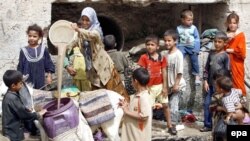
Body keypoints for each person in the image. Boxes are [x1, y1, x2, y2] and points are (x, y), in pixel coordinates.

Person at [67, 7, 129, 101]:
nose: (84, 22)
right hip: (92, 70)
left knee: (114, 93)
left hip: (104, 68)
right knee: (98, 95)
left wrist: (78, 29)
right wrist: (64, 46)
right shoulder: (79, 35)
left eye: (87, 20)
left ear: (92, 19)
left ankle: (124, 110)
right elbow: (71, 44)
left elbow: (91, 35)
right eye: (83, 19)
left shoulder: (97, 31)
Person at [138, 35, 176, 135]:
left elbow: (164, 72)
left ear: (157, 47)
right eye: (148, 45)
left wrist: (165, 87)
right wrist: (144, 87)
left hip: (160, 86)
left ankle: (170, 126)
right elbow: (142, 72)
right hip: (148, 87)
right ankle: (147, 128)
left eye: (152, 45)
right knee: (148, 108)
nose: (150, 46)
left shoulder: (161, 58)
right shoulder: (144, 58)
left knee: (166, 105)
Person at [2, 70, 47, 141]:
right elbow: (25, 116)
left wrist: (25, 109)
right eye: (20, 83)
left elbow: (16, 109)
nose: (22, 85)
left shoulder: (10, 93)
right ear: (13, 85)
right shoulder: (12, 98)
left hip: (11, 129)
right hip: (12, 131)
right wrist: (38, 114)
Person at [200, 31, 230, 132]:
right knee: (207, 104)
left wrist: (225, 86)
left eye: (219, 42)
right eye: (215, 41)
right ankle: (207, 125)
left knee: (221, 107)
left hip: (221, 87)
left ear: (225, 43)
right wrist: (205, 81)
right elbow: (206, 69)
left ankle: (221, 127)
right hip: (210, 85)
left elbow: (227, 71)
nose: (217, 44)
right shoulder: (211, 54)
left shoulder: (225, 56)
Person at [17, 24, 55, 89]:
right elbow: (20, 68)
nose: (32, 38)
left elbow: (48, 65)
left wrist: (49, 76)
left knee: (40, 96)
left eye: (34, 36)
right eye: (30, 36)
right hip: (27, 81)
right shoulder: (23, 51)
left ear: (39, 37)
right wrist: (19, 80)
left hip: (40, 80)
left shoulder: (43, 49)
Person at [119, 67, 152, 141]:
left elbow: (144, 116)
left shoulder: (144, 97)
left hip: (138, 137)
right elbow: (134, 110)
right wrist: (126, 105)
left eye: (132, 81)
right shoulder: (136, 96)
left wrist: (126, 111)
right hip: (131, 135)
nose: (131, 83)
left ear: (135, 81)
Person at [163, 29, 186, 129]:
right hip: (169, 87)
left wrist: (176, 84)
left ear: (175, 41)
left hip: (177, 85)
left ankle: (173, 126)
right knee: (168, 106)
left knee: (173, 106)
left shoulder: (178, 54)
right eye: (165, 41)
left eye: (169, 41)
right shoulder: (166, 55)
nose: (167, 43)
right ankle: (175, 124)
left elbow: (180, 72)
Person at [224, 12, 247, 97]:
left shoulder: (240, 35)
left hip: (236, 64)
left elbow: (242, 52)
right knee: (226, 86)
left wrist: (232, 50)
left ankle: (242, 106)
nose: (232, 25)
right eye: (230, 23)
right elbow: (219, 48)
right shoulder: (225, 35)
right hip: (226, 64)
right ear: (227, 24)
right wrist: (226, 40)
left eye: (234, 23)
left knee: (238, 85)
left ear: (237, 24)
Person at [177, 9, 201, 85]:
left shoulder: (193, 28)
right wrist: (177, 49)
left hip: (192, 46)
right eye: (188, 20)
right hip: (182, 46)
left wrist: (196, 49)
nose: (191, 21)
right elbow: (177, 39)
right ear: (183, 20)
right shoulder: (178, 28)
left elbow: (197, 39)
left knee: (195, 60)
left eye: (192, 20)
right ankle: (179, 75)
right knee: (179, 58)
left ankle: (196, 75)